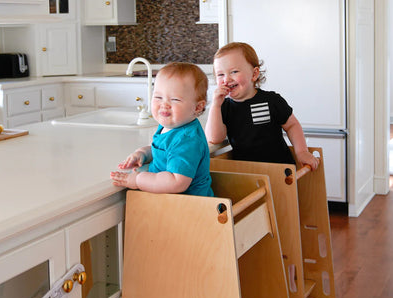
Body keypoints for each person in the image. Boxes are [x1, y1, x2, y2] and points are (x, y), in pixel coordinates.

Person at [205, 42, 319, 170]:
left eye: (234, 72)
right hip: (248, 173)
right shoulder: (223, 107)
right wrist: (215, 105)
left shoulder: (272, 100)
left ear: (254, 74)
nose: (226, 79)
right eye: (220, 74)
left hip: (280, 169)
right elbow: (214, 139)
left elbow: (292, 125)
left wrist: (302, 152)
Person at [110, 62, 214, 197]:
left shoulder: (187, 140)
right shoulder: (170, 126)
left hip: (190, 208)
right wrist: (143, 153)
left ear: (198, 107)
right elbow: (165, 151)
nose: (164, 104)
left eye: (175, 99)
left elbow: (177, 182)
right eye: (158, 97)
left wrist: (137, 180)